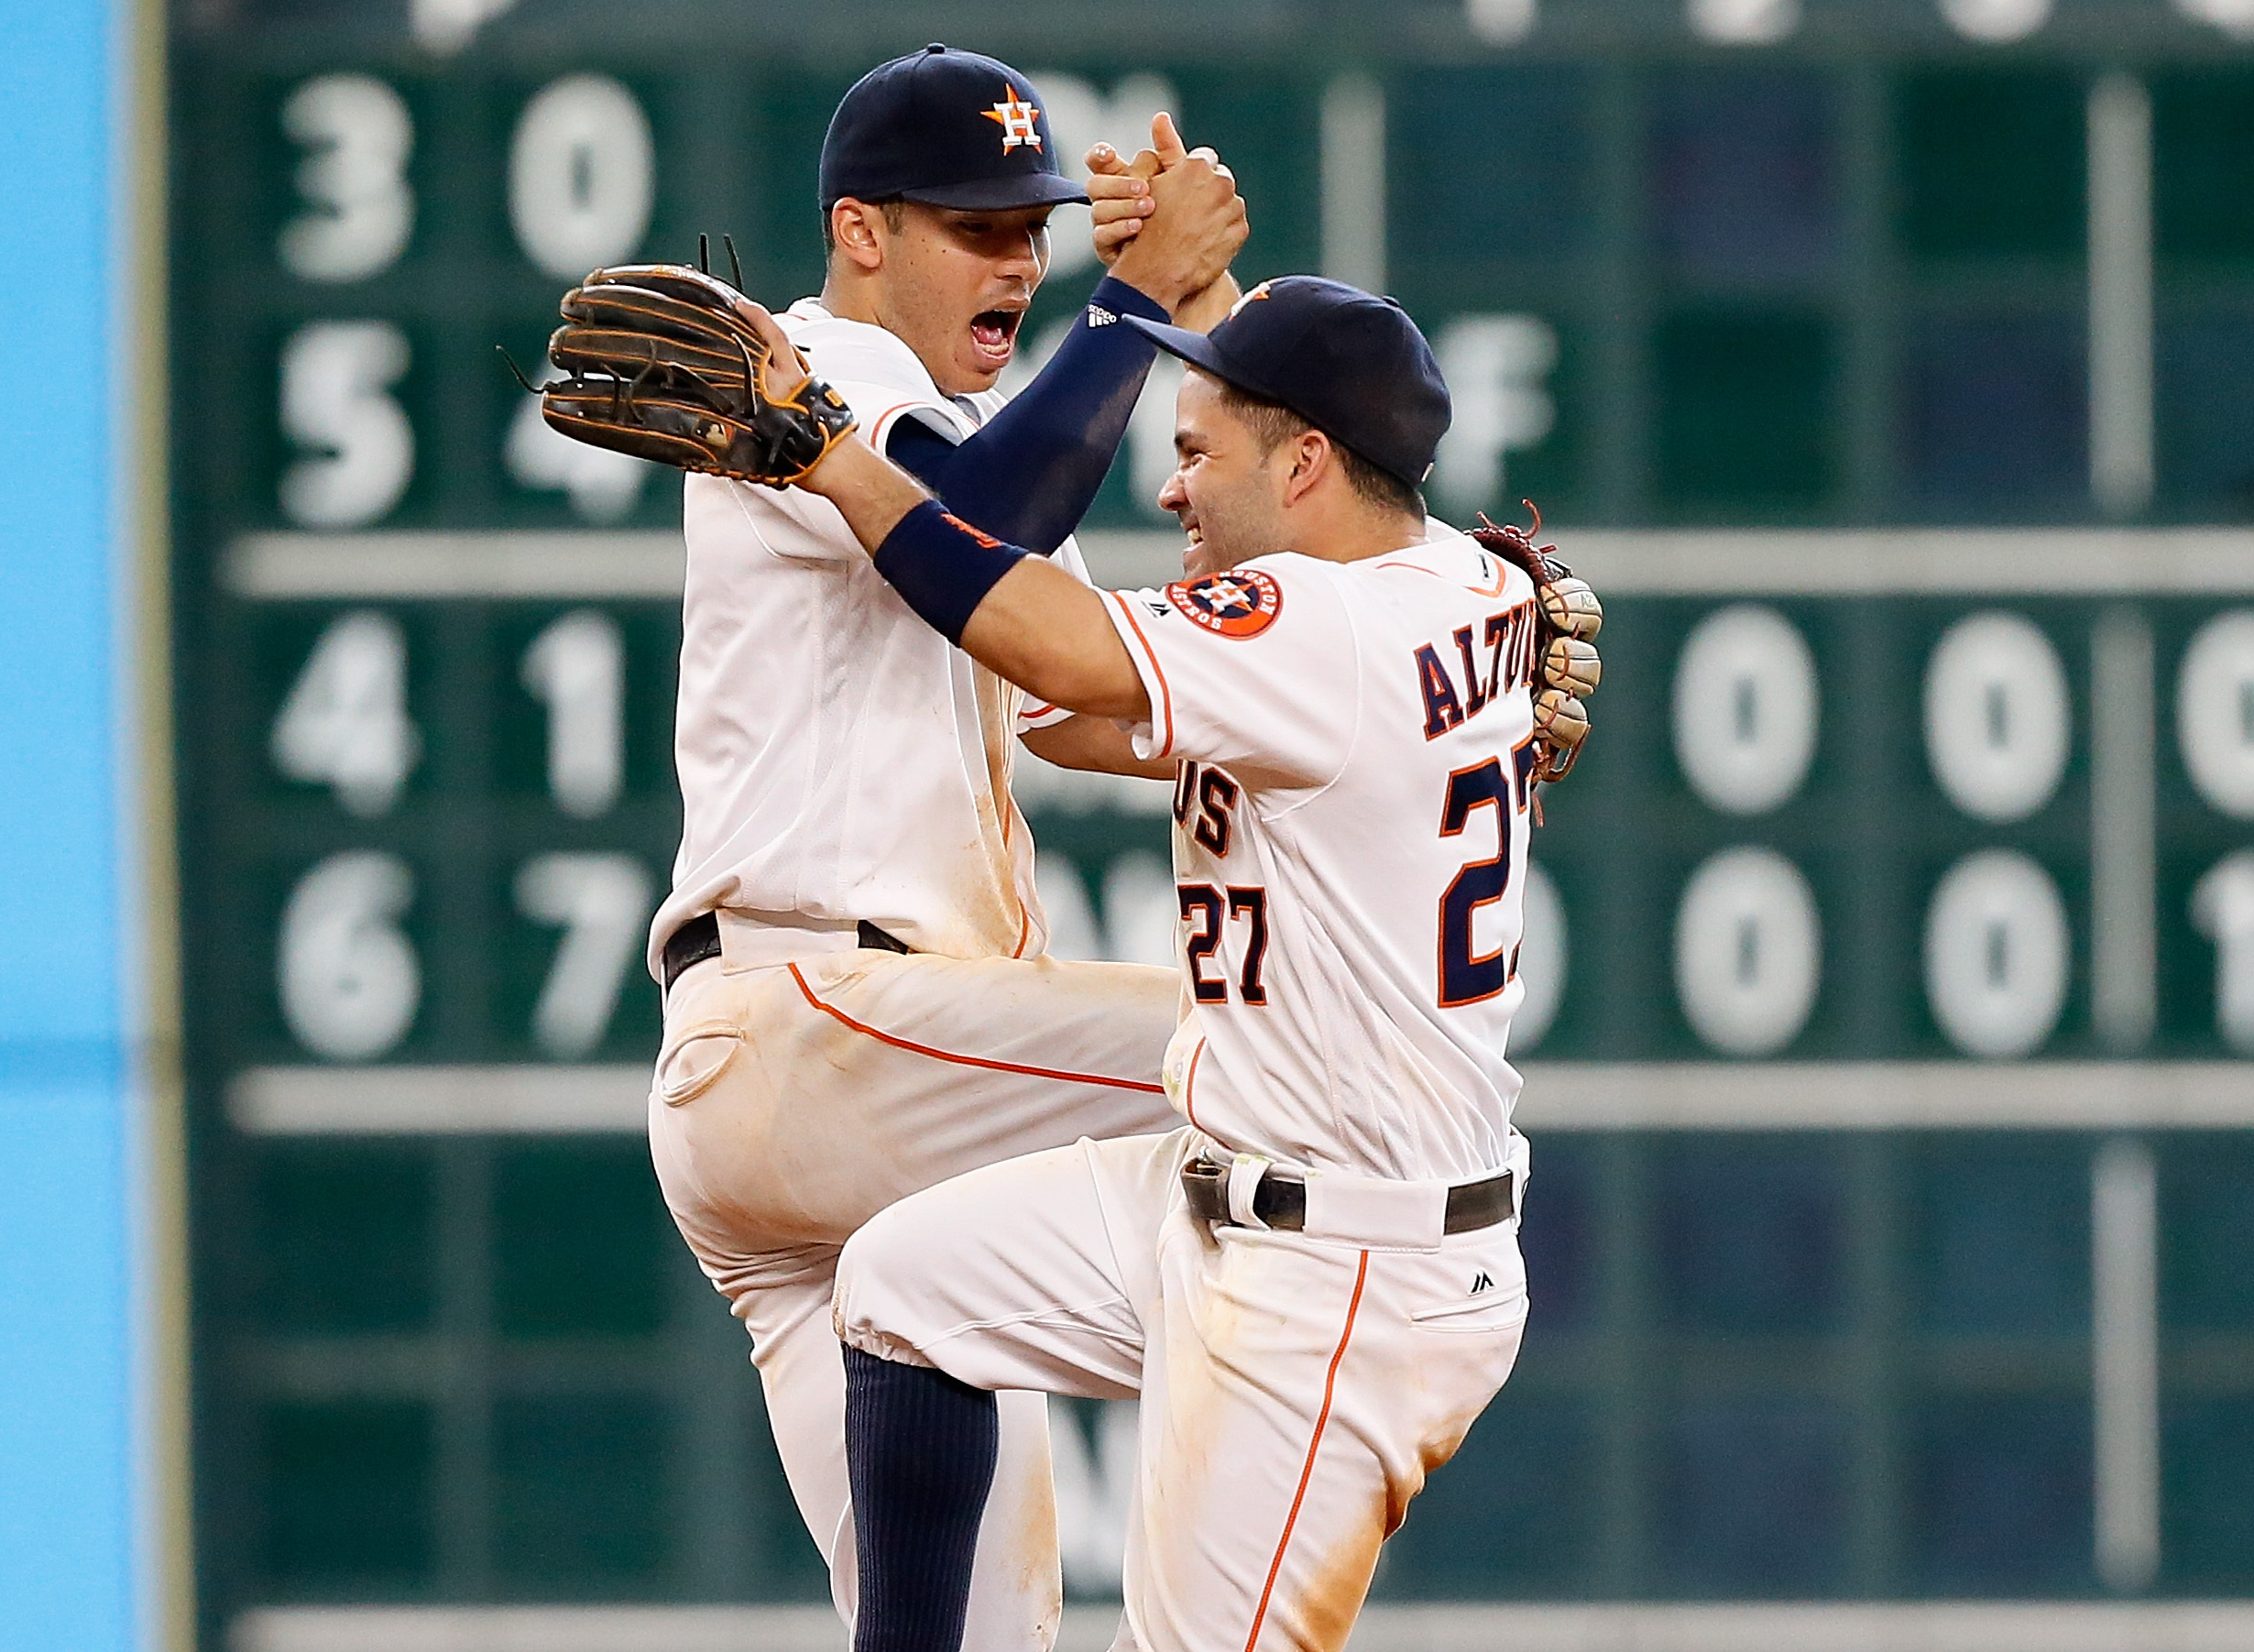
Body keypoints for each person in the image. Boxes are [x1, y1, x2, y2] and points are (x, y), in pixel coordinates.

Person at [739, 275, 1582, 1652]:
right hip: (1230, 1202)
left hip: (1341, 1282)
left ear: (1307, 462)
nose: (1174, 488)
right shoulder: (1460, 585)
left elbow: (1059, 663)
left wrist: (841, 461)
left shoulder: (1328, 630)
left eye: (1198, 451)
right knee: (900, 1289)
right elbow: (1072, 713)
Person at [641, 42, 1246, 1650]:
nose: (1018, 258)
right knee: (1280, 1052)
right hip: (820, 1028)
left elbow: (1052, 611)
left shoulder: (912, 409)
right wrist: (1140, 310)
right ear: (859, 232)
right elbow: (997, 513)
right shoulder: (804, 371)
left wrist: (1204, 301)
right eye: (974, 226)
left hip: (830, 1132)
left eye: (1031, 223)